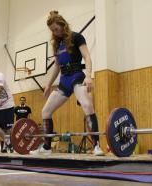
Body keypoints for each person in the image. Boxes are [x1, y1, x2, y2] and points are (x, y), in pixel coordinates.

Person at [30, 11, 104, 156]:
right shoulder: (56, 45)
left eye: (56, 29)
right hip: (64, 81)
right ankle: (46, 148)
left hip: (77, 76)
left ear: (62, 25)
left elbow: (87, 57)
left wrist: (88, 76)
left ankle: (96, 146)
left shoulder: (77, 37)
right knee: (45, 111)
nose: (55, 32)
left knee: (88, 106)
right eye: (52, 31)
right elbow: (57, 66)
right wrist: (49, 84)